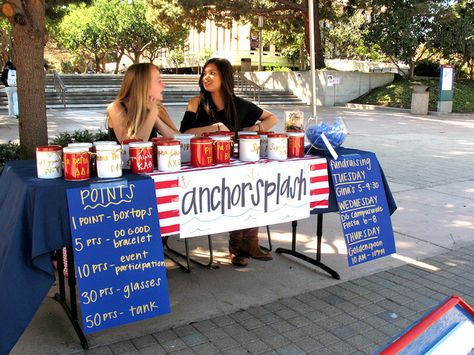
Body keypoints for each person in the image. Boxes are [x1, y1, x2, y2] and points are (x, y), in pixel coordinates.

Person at [180, 57, 278, 267]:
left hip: (232, 163)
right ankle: (238, 246)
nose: (206, 77)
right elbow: (184, 133)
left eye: (212, 73)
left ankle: (247, 244)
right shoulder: (196, 103)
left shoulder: (239, 104)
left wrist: (256, 129)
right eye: (205, 73)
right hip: (201, 167)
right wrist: (215, 127)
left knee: (253, 186)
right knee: (240, 187)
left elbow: (272, 118)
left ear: (224, 77)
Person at [106, 63, 179, 142]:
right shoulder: (115, 107)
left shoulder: (156, 106)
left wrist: (156, 118)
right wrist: (152, 113)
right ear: (144, 85)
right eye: (159, 81)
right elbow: (131, 145)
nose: (163, 85)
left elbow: (179, 138)